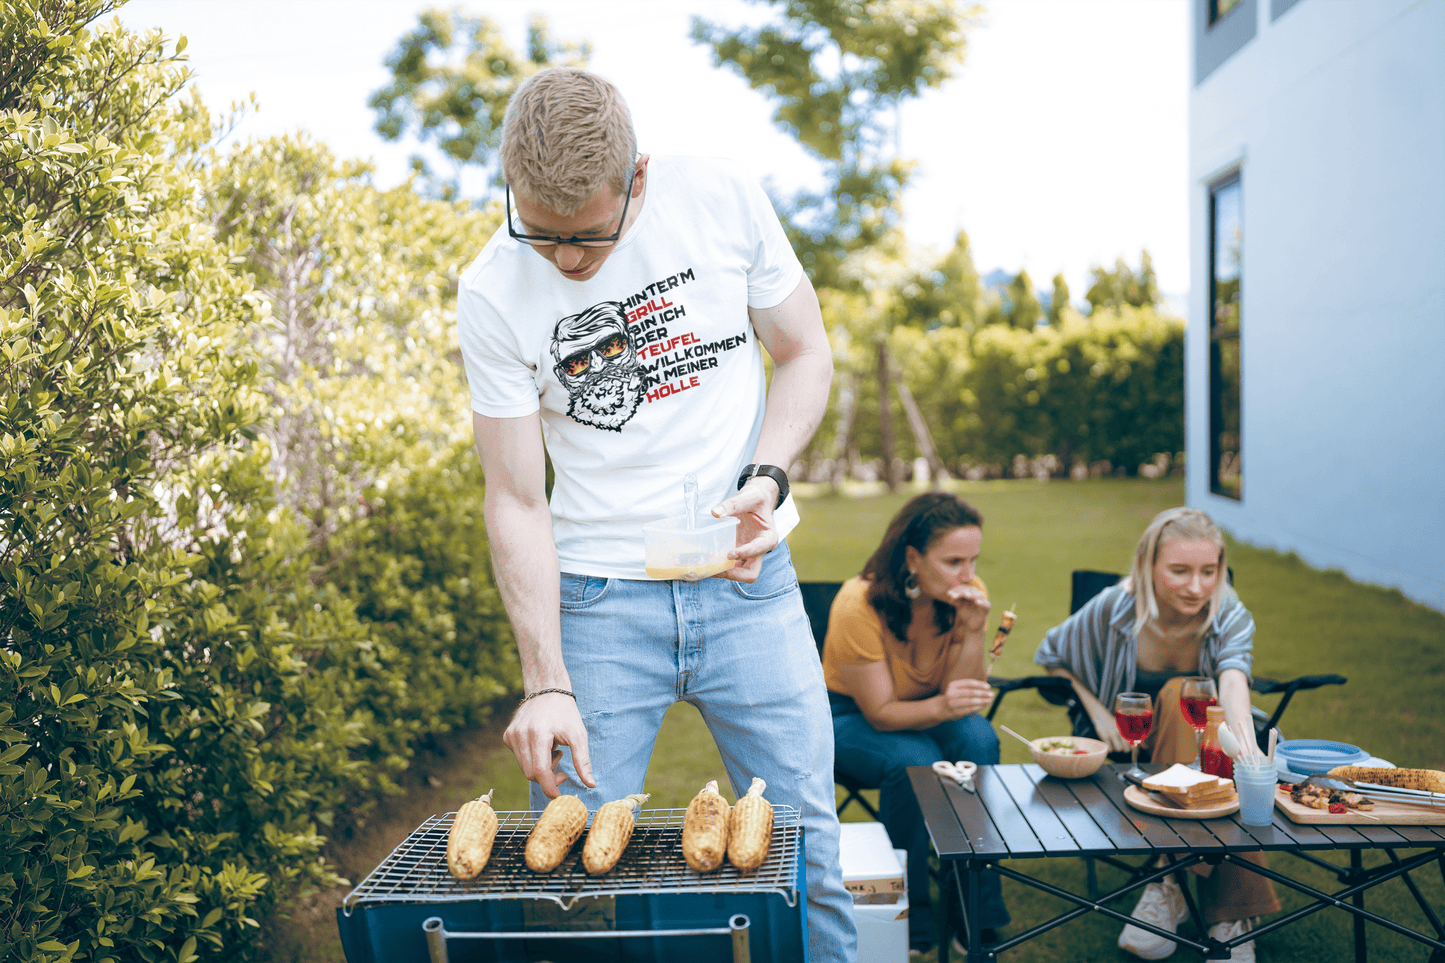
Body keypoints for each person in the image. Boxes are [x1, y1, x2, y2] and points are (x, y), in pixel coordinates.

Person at [455, 67, 856, 960]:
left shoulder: (719, 199)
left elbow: (803, 351)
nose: (561, 260)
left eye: (586, 237)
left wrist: (771, 473)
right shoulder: (489, 290)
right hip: (597, 606)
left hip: (749, 585)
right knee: (570, 884)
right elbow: (516, 497)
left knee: (807, 854)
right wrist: (545, 678)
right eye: (540, 233)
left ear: (637, 177)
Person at [1034, 507, 1279, 962]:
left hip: (1208, 748)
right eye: (1179, 571)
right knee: (1176, 695)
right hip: (1129, 745)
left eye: (1209, 571)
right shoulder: (1114, 608)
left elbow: (1232, 680)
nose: (1196, 587)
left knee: (1187, 700)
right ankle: (1229, 918)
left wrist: (1244, 741)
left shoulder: (1228, 610)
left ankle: (1170, 882)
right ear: (1148, 567)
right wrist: (1098, 711)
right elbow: (1052, 653)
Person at [822, 492, 1010, 956]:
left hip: (931, 707)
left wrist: (971, 630)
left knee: (980, 741)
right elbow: (882, 712)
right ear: (912, 557)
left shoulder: (968, 596)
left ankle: (974, 906)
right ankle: (909, 912)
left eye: (973, 560)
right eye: (953, 562)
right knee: (914, 760)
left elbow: (963, 704)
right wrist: (944, 707)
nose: (968, 576)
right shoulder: (857, 604)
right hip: (850, 715)